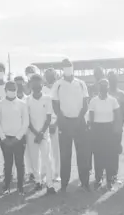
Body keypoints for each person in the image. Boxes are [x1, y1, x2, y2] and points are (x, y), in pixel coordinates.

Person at [51, 58, 91, 193]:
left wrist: (79, 119)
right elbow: (55, 105)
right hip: (65, 124)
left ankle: (85, 183)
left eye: (69, 66)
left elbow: (85, 103)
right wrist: (64, 121)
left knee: (83, 155)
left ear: (72, 67)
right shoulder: (57, 84)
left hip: (79, 123)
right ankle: (64, 185)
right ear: (62, 69)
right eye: (64, 66)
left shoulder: (81, 83)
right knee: (65, 155)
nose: (67, 68)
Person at [0, 81, 29, 195]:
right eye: (10, 89)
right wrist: (4, 138)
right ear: (5, 90)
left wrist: (17, 138)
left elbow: (25, 123)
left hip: (19, 139)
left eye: (14, 89)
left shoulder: (22, 104)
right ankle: (7, 186)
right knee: (7, 163)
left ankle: (20, 187)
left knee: (20, 163)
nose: (12, 91)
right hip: (5, 139)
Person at [88, 79, 121, 191]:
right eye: (101, 86)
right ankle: (98, 178)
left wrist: (117, 132)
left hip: (110, 130)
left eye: (105, 86)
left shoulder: (113, 100)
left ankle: (110, 179)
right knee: (98, 155)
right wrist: (92, 132)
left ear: (108, 88)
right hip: (97, 130)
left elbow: (117, 117)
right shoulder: (93, 101)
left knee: (110, 155)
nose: (103, 88)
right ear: (98, 88)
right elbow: (91, 117)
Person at [26, 74, 55, 195]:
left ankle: (50, 184)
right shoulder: (27, 100)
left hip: (44, 134)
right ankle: (38, 181)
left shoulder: (47, 98)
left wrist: (41, 133)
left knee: (47, 160)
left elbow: (48, 118)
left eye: (38, 83)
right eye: (34, 83)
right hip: (32, 134)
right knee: (34, 159)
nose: (36, 85)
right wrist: (35, 133)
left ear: (42, 84)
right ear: (30, 85)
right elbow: (27, 119)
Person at [107, 71, 124, 181]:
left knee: (115, 151)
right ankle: (106, 173)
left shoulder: (122, 95)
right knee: (105, 150)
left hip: (117, 127)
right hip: (105, 126)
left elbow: (123, 113)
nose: (113, 82)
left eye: (114, 80)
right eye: (111, 80)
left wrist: (120, 126)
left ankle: (114, 174)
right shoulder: (105, 93)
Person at [43, 68, 61, 182]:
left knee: (56, 150)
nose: (50, 77)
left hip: (57, 123)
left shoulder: (59, 88)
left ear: (56, 76)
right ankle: (45, 173)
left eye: (52, 75)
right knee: (45, 151)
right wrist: (46, 125)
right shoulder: (42, 89)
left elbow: (62, 108)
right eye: (48, 75)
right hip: (44, 124)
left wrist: (55, 123)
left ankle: (57, 174)